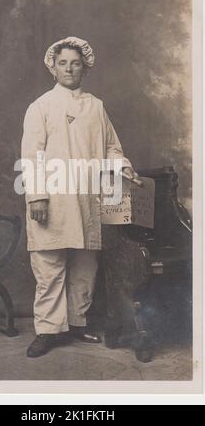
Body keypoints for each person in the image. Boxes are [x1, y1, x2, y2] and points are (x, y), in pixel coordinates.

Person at [21, 36, 137, 357]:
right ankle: (47, 331)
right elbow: (32, 155)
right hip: (53, 198)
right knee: (49, 265)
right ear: (53, 68)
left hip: (87, 198)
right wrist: (38, 197)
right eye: (63, 63)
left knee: (85, 267)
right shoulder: (41, 107)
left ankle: (76, 323)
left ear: (84, 67)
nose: (69, 68)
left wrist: (123, 169)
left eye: (75, 63)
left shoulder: (96, 106)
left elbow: (112, 148)